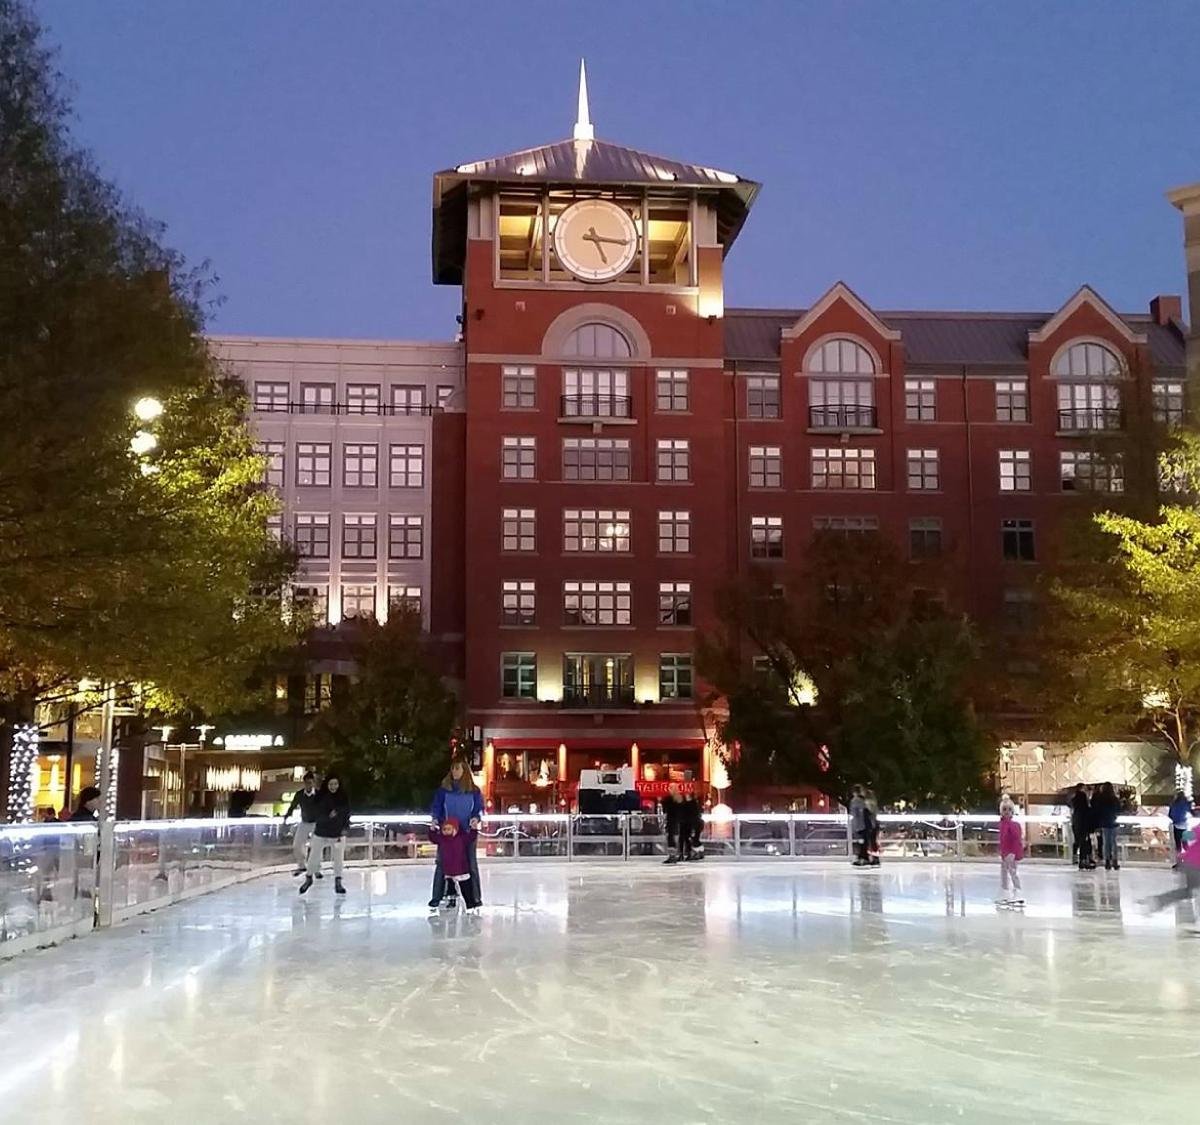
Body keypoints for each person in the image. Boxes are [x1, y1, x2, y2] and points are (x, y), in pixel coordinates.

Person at [428, 758, 483, 909]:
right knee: (442, 864)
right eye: (453, 769)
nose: (454, 772)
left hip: (466, 832)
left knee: (471, 864)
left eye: (457, 769)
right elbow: (437, 807)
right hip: (447, 833)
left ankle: (475, 898)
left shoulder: (474, 791)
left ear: (464, 771)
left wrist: (475, 819)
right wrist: (435, 820)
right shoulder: (443, 791)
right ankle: (437, 896)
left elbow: (478, 809)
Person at [299, 774, 350, 895]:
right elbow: (316, 814)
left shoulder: (343, 798)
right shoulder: (321, 797)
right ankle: (309, 878)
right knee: (313, 856)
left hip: (337, 833)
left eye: (335, 784)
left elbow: (347, 814)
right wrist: (328, 816)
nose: (333, 787)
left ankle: (338, 881)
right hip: (321, 831)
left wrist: (345, 828)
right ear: (327, 785)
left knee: (338, 858)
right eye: (331, 784)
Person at [1141, 827, 1200, 917]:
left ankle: (1157, 901)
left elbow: (1187, 835)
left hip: (1188, 861)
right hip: (1195, 864)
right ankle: (1157, 901)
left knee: (1189, 891)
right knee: (1191, 890)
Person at [429, 816, 480, 912]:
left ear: (455, 830)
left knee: (466, 888)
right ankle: (451, 900)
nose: (446, 831)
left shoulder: (461, 839)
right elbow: (433, 838)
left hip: (461, 870)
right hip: (449, 871)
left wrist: (474, 829)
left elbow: (471, 837)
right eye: (444, 829)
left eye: (449, 829)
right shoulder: (442, 839)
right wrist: (432, 829)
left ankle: (470, 904)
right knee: (450, 888)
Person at [282, 771, 320, 876]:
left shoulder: (318, 794)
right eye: (307, 782)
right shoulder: (299, 794)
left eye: (311, 782)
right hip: (304, 822)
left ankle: (316, 868)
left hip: (316, 823)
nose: (309, 785)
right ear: (304, 783)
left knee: (317, 846)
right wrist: (286, 817)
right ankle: (302, 865)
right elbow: (292, 806)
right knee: (297, 845)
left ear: (313, 783)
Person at [996, 795, 1024, 907]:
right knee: (1004, 872)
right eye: (1004, 809)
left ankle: (1017, 891)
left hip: (1011, 852)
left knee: (1012, 872)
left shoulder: (1014, 825)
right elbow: (1002, 839)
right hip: (1005, 852)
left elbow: (1016, 840)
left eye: (1009, 810)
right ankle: (1005, 892)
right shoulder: (1002, 824)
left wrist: (1014, 853)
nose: (1007, 812)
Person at [1093, 781, 1121, 871]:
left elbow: (1097, 810)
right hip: (1113, 822)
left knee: (1106, 843)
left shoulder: (1100, 799)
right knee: (1113, 843)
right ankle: (1115, 861)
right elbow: (1118, 809)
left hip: (1104, 823)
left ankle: (1107, 861)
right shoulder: (1114, 799)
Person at [1070, 784, 1093, 870]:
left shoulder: (1074, 799)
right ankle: (1082, 860)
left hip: (1076, 823)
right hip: (1083, 823)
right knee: (1084, 842)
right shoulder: (1082, 797)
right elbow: (1087, 810)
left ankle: (1075, 858)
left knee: (1077, 840)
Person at [661, 784, 684, 864]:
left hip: (672, 821)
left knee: (671, 839)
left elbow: (665, 809)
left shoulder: (668, 799)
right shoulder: (680, 799)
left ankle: (672, 856)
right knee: (675, 839)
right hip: (678, 822)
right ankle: (677, 855)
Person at [1168, 790, 1191, 868]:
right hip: (1185, 826)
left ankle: (1179, 863)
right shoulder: (1186, 804)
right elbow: (1191, 812)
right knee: (1186, 845)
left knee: (1178, 846)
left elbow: (1170, 815)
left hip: (1176, 826)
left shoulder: (1173, 804)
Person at [680, 788, 704, 862]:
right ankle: (696, 853)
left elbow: (694, 815)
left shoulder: (692, 804)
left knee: (693, 839)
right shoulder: (688, 804)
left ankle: (697, 853)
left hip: (694, 824)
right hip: (691, 824)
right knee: (690, 839)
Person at [849, 785, 870, 866]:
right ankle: (863, 857)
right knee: (863, 842)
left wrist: (857, 826)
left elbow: (857, 814)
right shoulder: (862, 801)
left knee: (861, 842)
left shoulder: (856, 801)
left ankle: (862, 858)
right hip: (863, 824)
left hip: (860, 825)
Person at [864, 788, 881, 866]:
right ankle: (875, 858)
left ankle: (872, 858)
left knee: (870, 842)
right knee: (873, 842)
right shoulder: (875, 803)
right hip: (875, 824)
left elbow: (869, 815)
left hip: (870, 824)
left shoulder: (867, 803)